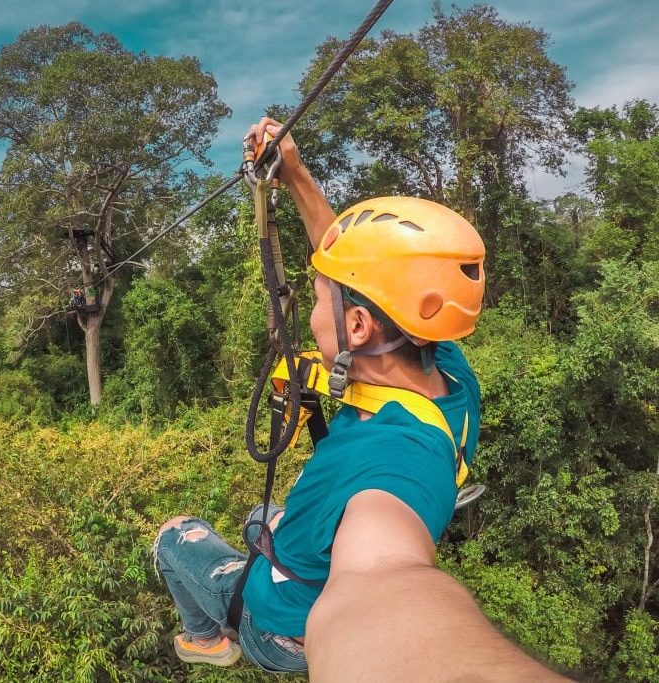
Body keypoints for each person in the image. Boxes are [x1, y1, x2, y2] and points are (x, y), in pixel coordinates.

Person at [154, 117, 572, 680]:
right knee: (261, 518)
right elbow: (352, 270)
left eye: (316, 299)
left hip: (280, 627)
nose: (310, 313)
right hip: (312, 562)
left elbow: (382, 584)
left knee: (175, 534)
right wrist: (295, 175)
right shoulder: (445, 366)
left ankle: (204, 638)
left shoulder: (391, 466)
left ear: (357, 326)